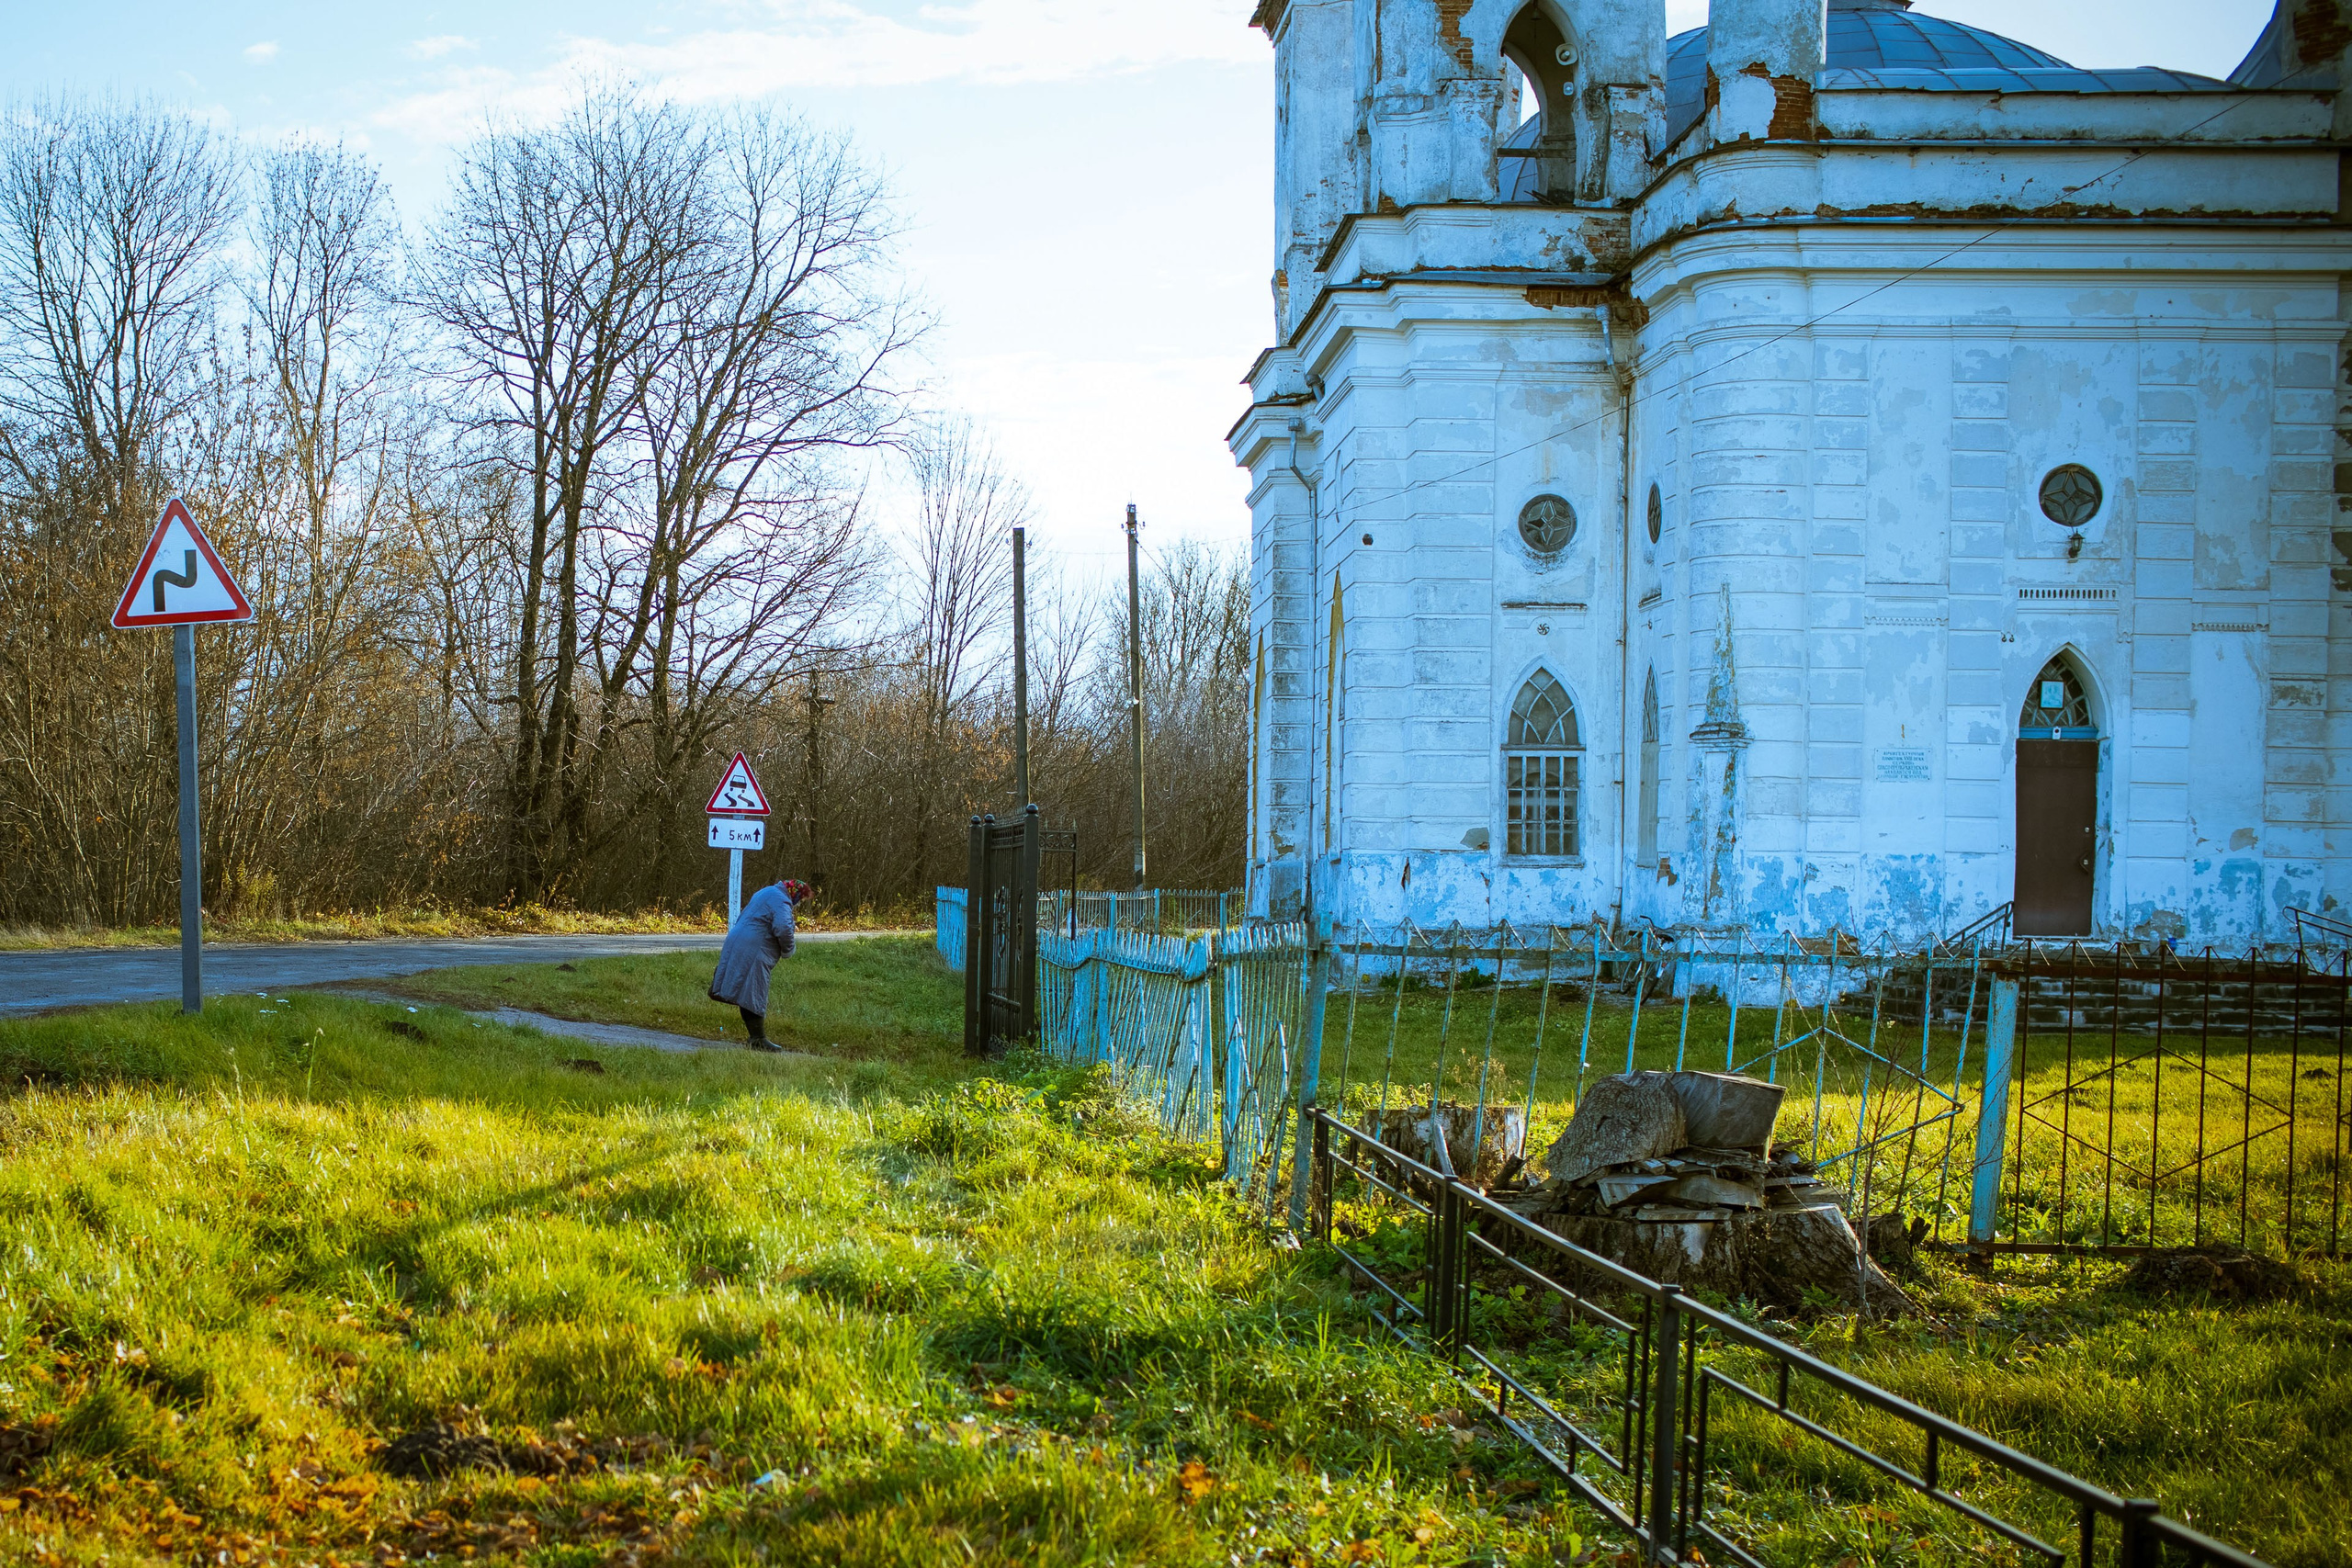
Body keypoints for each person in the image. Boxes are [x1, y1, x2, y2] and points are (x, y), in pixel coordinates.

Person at [708, 877, 811, 1051]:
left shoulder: (766, 892)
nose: (798, 903)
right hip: (754, 947)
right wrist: (788, 950)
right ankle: (758, 1039)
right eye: (800, 899)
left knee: (745, 990)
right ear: (795, 894)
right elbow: (784, 928)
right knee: (754, 991)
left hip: (738, 940)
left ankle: (755, 1037)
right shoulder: (781, 900)